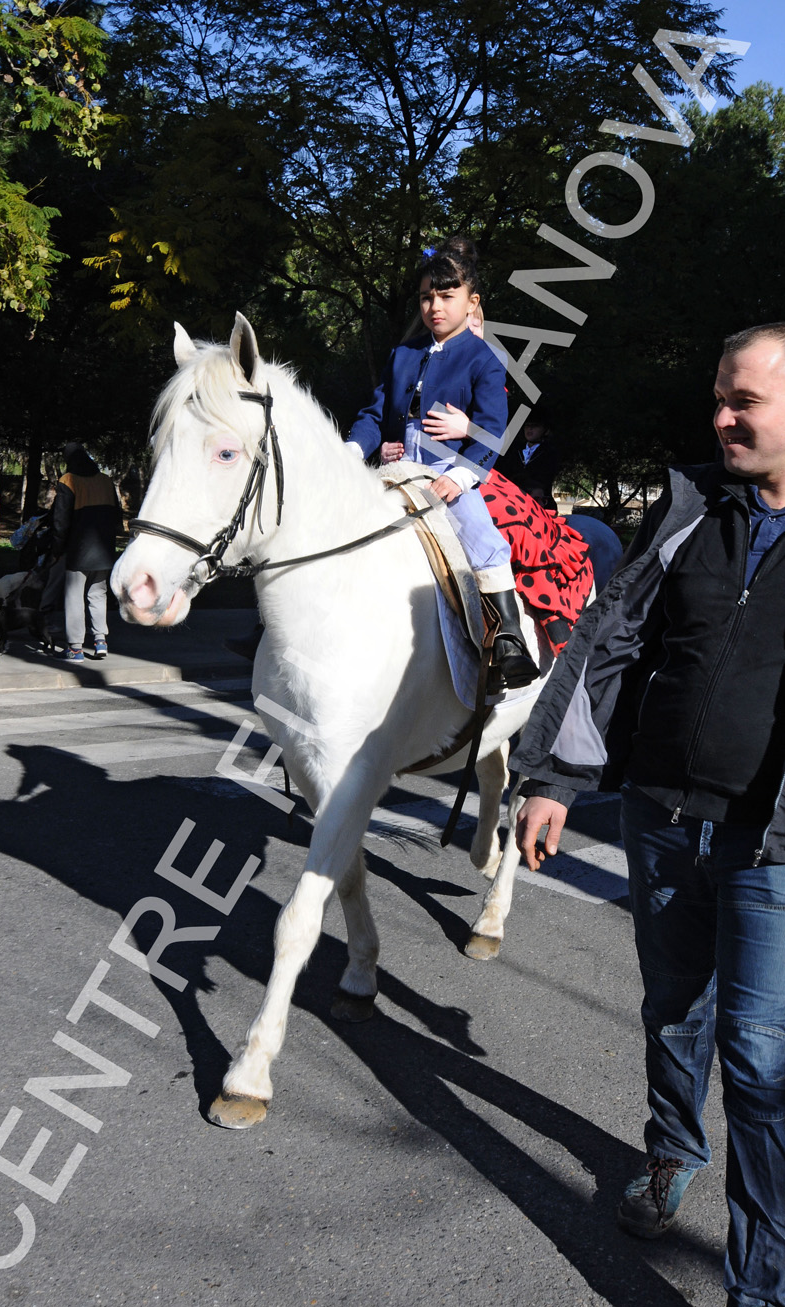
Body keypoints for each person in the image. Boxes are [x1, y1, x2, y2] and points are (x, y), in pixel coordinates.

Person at [513, 323, 785, 1307]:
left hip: (773, 844)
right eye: (718, 395)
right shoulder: (689, 508)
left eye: (742, 401)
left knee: (759, 1060)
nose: (720, 417)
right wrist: (551, 775)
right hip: (665, 815)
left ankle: (759, 1285)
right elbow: (609, 637)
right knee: (675, 1013)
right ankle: (671, 1152)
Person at [344, 238, 538, 687]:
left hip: (446, 476)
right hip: (394, 471)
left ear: (471, 303)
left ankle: (508, 639)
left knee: (482, 538)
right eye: (427, 297)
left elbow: (493, 428)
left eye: (446, 297)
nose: (435, 306)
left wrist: (460, 475)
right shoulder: (402, 353)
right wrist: (356, 449)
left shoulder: (485, 357)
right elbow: (376, 415)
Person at [52, 443, 120, 663]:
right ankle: (101, 641)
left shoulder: (68, 480)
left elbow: (60, 521)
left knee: (74, 597)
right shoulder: (105, 480)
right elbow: (116, 517)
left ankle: (75, 648)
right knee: (97, 594)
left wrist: (57, 548)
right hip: (104, 550)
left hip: (78, 550)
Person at [496, 406, 561, 511]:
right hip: (512, 499)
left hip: (539, 502)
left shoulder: (550, 453)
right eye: (527, 426)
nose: (529, 429)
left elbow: (545, 478)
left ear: (546, 430)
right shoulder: (513, 451)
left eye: (535, 426)